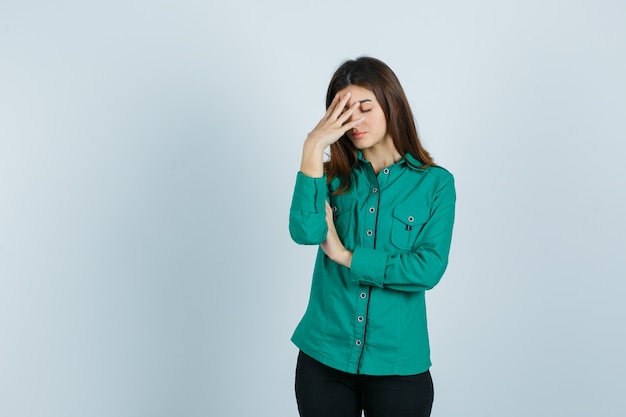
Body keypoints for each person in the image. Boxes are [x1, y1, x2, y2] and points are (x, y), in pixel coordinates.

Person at [288, 56, 456, 417]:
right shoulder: (330, 176)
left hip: (398, 366)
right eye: (344, 113)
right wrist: (313, 146)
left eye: (365, 107)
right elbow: (304, 231)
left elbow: (427, 269)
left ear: (392, 105)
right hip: (323, 359)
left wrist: (347, 256)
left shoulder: (436, 184)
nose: (355, 121)